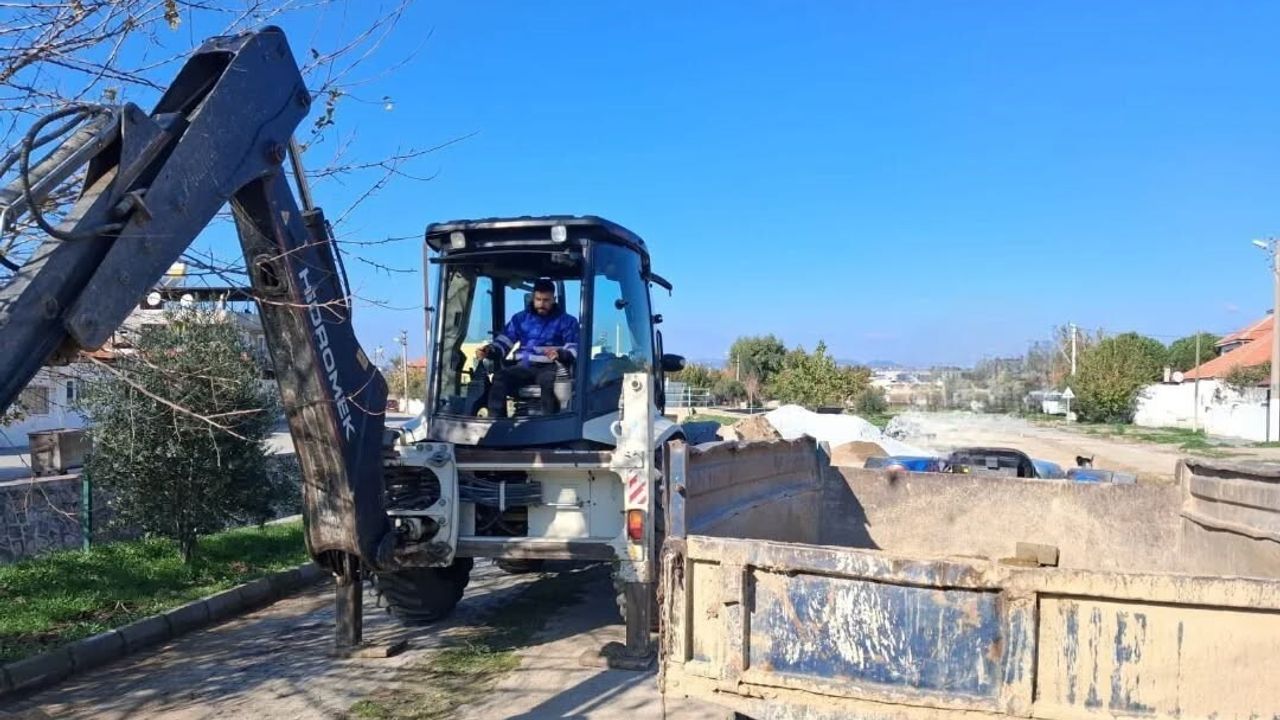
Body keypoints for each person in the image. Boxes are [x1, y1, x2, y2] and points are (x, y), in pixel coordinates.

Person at [475, 279, 579, 417]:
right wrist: (489, 350)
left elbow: (574, 347)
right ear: (533, 298)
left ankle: (549, 423)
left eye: (546, 300)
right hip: (524, 367)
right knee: (500, 377)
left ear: (553, 299)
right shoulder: (520, 319)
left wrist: (560, 354)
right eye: (538, 299)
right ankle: (496, 422)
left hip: (550, 367)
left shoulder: (567, 321)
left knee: (549, 383)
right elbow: (504, 342)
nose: (542, 304)